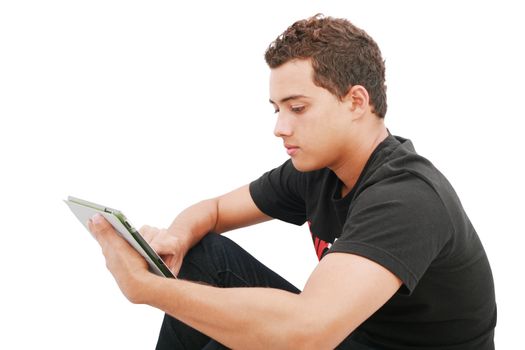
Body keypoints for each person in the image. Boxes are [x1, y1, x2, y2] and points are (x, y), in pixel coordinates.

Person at [87, 14, 497, 349]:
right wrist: (175, 239)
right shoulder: (320, 169)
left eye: (297, 108)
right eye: (277, 109)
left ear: (356, 102)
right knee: (204, 257)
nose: (280, 127)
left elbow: (308, 333)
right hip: (354, 337)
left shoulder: (406, 197)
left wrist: (145, 287)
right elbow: (212, 212)